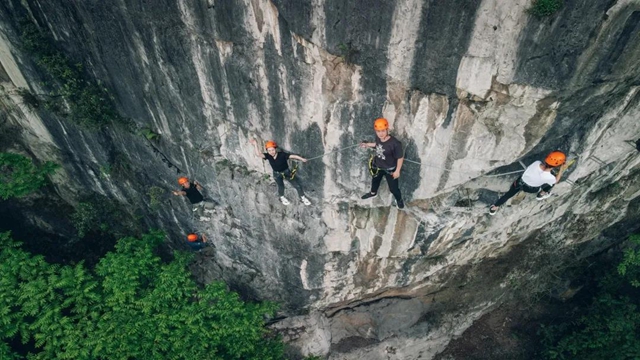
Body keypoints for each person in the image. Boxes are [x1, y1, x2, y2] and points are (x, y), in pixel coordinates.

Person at [489, 151, 568, 215]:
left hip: (519, 183)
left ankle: (494, 208)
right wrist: (561, 169)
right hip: (531, 189)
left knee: (508, 195)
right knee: (552, 183)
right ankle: (542, 194)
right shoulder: (549, 177)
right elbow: (556, 180)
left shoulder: (536, 163)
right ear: (558, 165)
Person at [249, 138, 311, 206]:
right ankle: (282, 197)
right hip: (277, 174)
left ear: (275, 149)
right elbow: (258, 154)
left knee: (297, 185)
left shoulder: (282, 154)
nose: (271, 152)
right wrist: (255, 144)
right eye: (269, 151)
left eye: (272, 150)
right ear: (267, 151)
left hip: (286, 172)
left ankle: (302, 197)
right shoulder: (268, 156)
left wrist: (302, 159)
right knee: (281, 186)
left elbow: (292, 156)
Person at [360, 118, 405, 209]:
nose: (380, 133)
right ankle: (373, 193)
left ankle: (399, 199)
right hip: (378, 166)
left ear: (387, 130)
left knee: (393, 189)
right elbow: (377, 145)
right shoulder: (379, 138)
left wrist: (397, 171)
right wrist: (368, 144)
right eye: (378, 131)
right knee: (375, 180)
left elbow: (400, 158)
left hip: (390, 169)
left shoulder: (395, 144)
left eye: (383, 131)